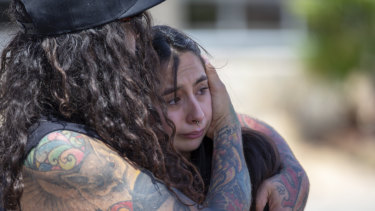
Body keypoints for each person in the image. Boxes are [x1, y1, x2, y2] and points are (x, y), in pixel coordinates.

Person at [0, 0, 252, 210]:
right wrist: (225, 127)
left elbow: (253, 126)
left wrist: (281, 165)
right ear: (92, 46)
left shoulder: (95, 118)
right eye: (130, 23)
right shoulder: (61, 151)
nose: (140, 35)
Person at [152, 25, 310, 211]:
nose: (197, 115)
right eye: (173, 100)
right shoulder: (127, 179)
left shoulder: (253, 157)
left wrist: (292, 169)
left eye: (202, 89)